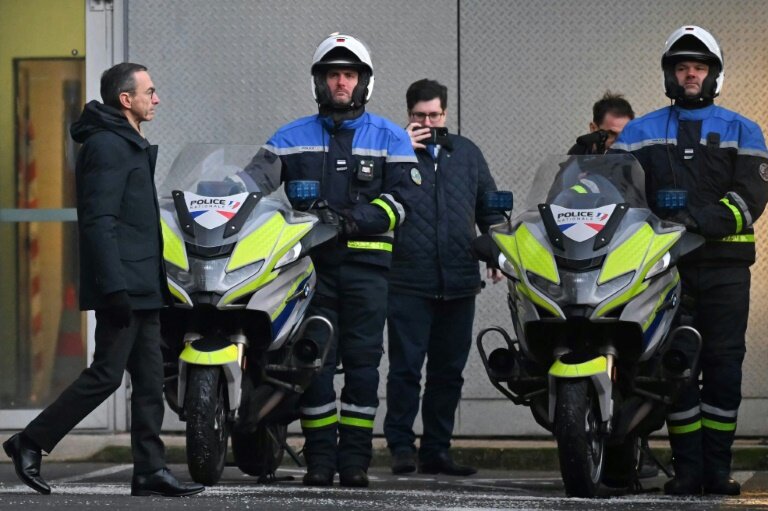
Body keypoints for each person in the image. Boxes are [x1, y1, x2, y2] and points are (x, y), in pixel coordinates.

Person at [2, 63, 204, 498]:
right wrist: (112, 289)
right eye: (150, 90)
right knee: (107, 375)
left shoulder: (127, 141)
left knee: (150, 379)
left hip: (143, 285)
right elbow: (99, 222)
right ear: (125, 100)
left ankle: (150, 471)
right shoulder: (108, 145)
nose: (158, 98)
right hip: (125, 286)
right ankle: (30, 441)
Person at [242, 34, 418, 488]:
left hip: (367, 270)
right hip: (309, 271)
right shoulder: (289, 137)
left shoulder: (391, 137)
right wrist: (216, 199)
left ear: (363, 83)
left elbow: (403, 201)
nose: (341, 82)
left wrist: (348, 221)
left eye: (349, 75)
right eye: (333, 75)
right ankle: (320, 461)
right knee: (311, 364)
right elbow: (249, 186)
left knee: (362, 366)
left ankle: (355, 462)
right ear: (319, 82)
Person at [612, 25, 768, 496]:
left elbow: (752, 196)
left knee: (723, 366)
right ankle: (687, 471)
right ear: (669, 75)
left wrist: (697, 220)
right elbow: (620, 191)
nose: (690, 75)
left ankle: (717, 472)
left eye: (699, 67)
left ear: (714, 75)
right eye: (682, 68)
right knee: (673, 366)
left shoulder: (745, 129)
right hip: (665, 271)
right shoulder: (638, 133)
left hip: (725, 268)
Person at [383, 79, 504, 477]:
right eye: (420, 115)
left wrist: (495, 249)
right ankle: (400, 446)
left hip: (459, 279)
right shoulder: (394, 151)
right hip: (407, 279)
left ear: (446, 114)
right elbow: (374, 199)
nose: (428, 122)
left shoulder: (466, 153)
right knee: (405, 369)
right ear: (409, 115)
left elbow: (487, 203)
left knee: (448, 371)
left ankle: (437, 449)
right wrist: (400, 152)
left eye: (435, 115)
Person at [569, 91, 635, 155]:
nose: (619, 144)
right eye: (611, 134)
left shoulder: (636, 153)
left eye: (624, 134)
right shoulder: (578, 153)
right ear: (593, 128)